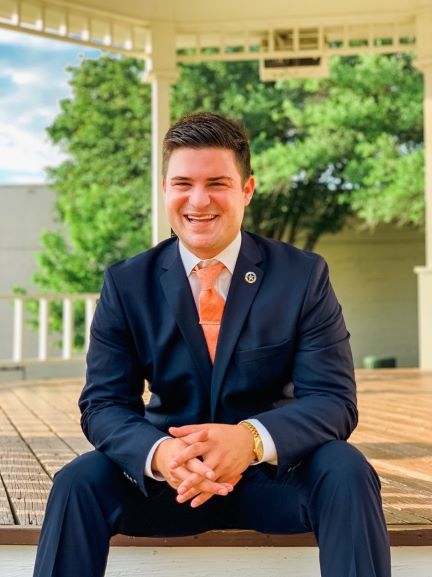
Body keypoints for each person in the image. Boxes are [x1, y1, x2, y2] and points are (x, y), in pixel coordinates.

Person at [33, 111, 391, 577]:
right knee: (77, 480)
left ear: (247, 190)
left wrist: (250, 439)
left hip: (273, 480)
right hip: (170, 483)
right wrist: (160, 454)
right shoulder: (126, 283)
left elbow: (333, 401)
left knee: (346, 468)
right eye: (183, 183)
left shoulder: (303, 276)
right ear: (165, 189)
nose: (198, 200)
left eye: (217, 183)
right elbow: (103, 404)